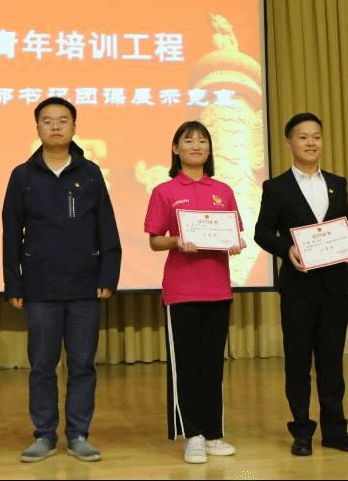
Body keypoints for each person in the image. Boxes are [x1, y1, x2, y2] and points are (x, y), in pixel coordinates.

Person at [2, 96, 122, 463]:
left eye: (63, 120)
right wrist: (13, 283)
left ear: (74, 126)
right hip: (39, 287)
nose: (55, 126)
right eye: (48, 120)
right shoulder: (22, 175)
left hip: (84, 285)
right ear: (37, 127)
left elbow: (107, 228)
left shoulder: (90, 173)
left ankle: (79, 434)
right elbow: (11, 233)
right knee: (42, 365)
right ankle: (44, 434)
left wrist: (108, 275)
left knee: (83, 364)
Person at [253, 112, 348, 457]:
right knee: (298, 362)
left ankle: (335, 430)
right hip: (297, 287)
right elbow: (262, 232)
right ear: (289, 143)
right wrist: (286, 249)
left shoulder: (337, 183)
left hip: (335, 286)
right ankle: (302, 430)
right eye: (303, 137)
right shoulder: (276, 187)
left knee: (332, 362)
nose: (311, 142)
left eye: (316, 136)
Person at [143, 121, 245, 464]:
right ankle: (193, 436)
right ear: (176, 149)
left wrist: (235, 243)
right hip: (181, 290)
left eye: (203, 140)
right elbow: (155, 241)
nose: (197, 146)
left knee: (212, 366)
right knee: (186, 367)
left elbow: (233, 233)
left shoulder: (223, 190)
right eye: (189, 140)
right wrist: (177, 240)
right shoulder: (165, 191)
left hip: (218, 289)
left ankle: (214, 433)